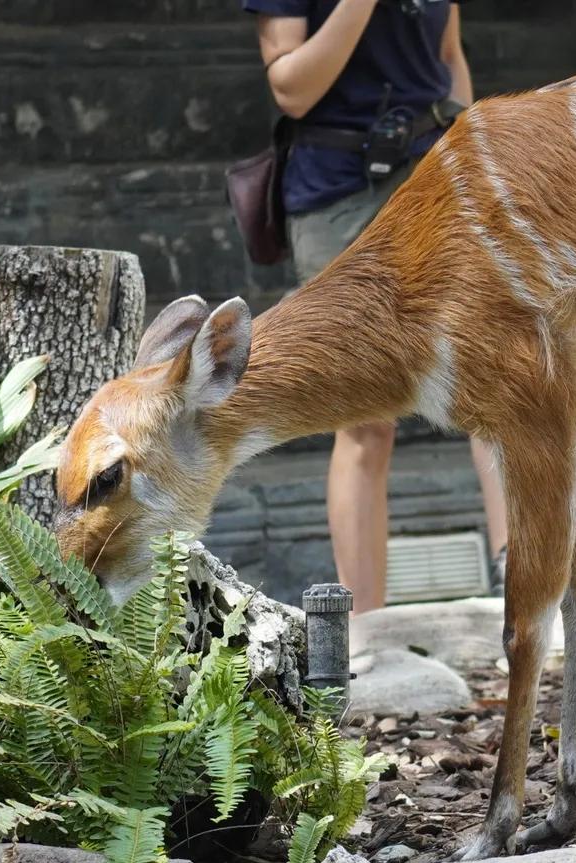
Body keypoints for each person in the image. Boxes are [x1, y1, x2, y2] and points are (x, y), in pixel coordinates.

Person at [245, 0, 509, 611]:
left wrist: (473, 159)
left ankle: (518, 579)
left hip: (435, 181)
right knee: (365, 419)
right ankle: (364, 630)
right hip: (338, 191)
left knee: (492, 380)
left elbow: (448, 59)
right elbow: (292, 90)